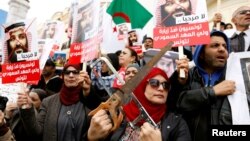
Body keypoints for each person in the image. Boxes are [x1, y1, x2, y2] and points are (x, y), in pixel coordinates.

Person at [87, 67, 191, 141]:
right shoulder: (119, 116)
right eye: (154, 83)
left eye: (166, 85)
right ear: (142, 86)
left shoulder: (177, 124)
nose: (161, 88)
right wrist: (91, 138)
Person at [172, 31, 235, 141]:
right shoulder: (187, 76)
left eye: (225, 46)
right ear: (201, 53)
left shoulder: (235, 77)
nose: (222, 49)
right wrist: (213, 91)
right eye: (215, 45)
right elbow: (177, 104)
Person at [17, 63, 101, 141]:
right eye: (67, 73)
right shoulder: (48, 102)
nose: (71, 75)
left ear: (82, 75)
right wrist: (27, 108)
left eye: (75, 72)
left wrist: (89, 92)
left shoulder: (90, 100)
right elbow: (36, 132)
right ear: (62, 76)